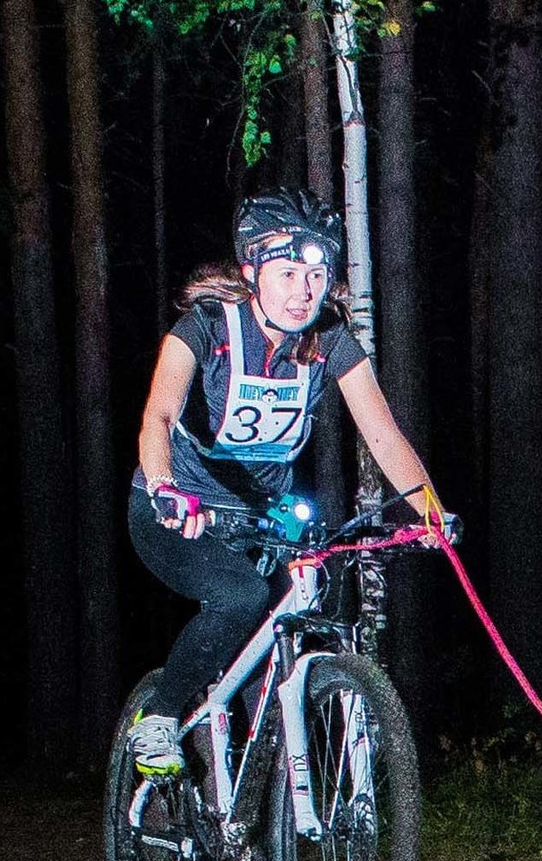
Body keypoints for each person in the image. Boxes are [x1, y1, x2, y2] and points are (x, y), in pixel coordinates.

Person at [125, 188, 442, 778]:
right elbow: (159, 416)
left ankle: (259, 798)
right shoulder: (206, 327)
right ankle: (161, 715)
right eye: (288, 274)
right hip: (176, 509)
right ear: (251, 272)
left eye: (317, 275)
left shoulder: (329, 341)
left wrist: (429, 511)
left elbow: (382, 435)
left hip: (259, 520)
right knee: (240, 598)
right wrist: (166, 487)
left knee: (286, 627)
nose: (304, 291)